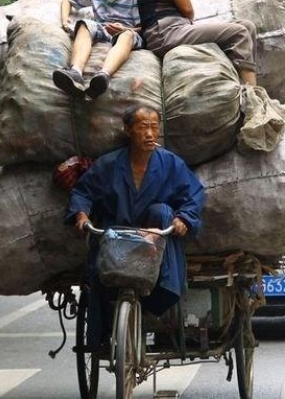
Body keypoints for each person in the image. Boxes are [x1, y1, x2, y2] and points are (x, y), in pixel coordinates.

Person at [64, 105, 206, 347]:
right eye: (142, 127)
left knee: (162, 211)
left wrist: (183, 219)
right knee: (97, 278)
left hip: (155, 241)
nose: (150, 134)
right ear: (128, 130)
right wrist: (81, 216)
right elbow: (83, 191)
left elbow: (194, 194)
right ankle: (101, 337)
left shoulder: (171, 164)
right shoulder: (108, 164)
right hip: (117, 239)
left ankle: (161, 294)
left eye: (154, 127)